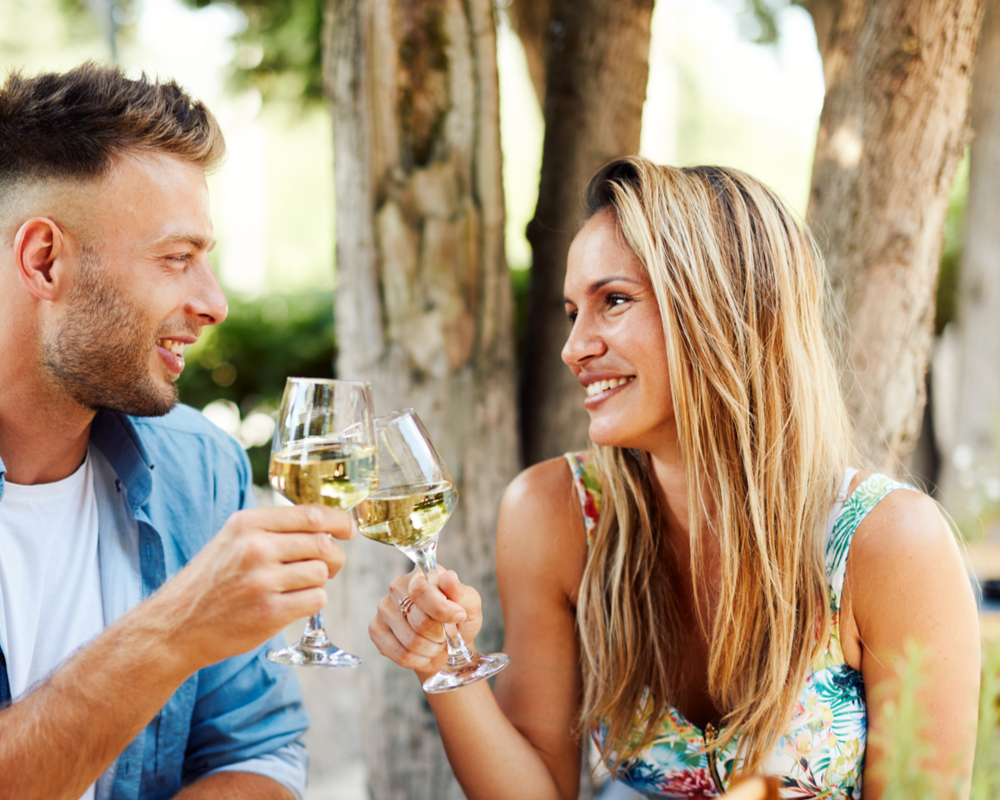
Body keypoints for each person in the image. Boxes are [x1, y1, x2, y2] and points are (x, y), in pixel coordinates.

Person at [0, 63, 355, 800]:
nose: (213, 302)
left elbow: (257, 753)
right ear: (44, 259)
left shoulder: (201, 465)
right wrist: (171, 632)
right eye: (177, 258)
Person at [369, 157, 981, 798]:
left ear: (722, 311)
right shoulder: (554, 513)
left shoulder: (889, 545)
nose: (574, 347)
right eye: (573, 311)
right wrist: (442, 665)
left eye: (614, 301)